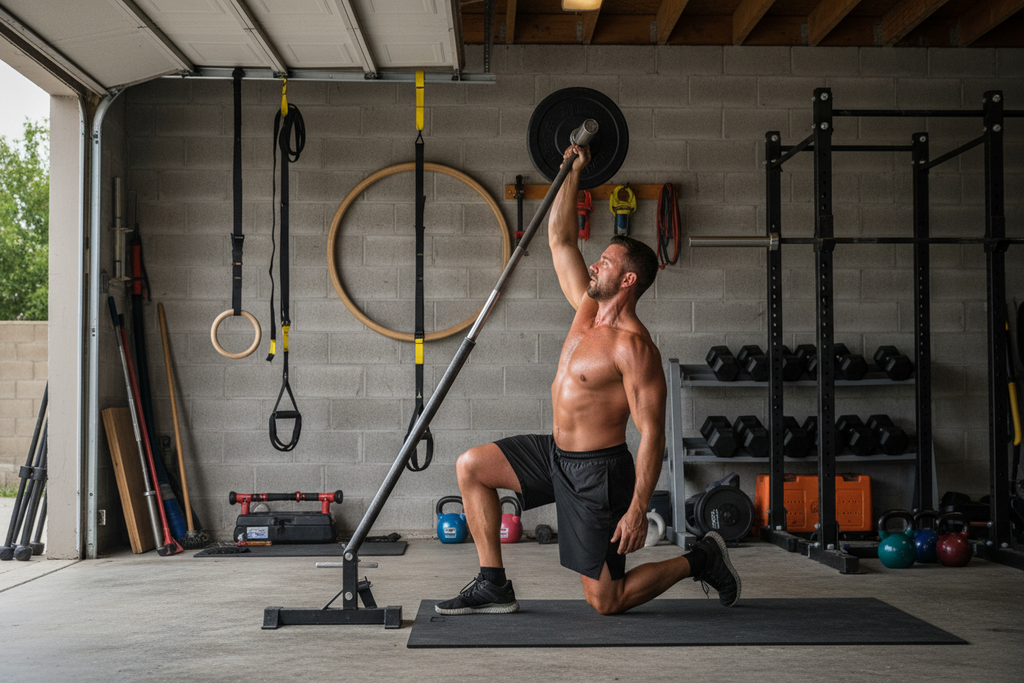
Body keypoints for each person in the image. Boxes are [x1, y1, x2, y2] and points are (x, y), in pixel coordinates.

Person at [435, 144, 740, 616]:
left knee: (606, 602)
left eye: (606, 263)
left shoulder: (633, 348)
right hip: (555, 454)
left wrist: (638, 507)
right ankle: (493, 584)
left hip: (597, 475)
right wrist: (571, 171)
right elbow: (560, 242)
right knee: (471, 466)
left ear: (628, 281)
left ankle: (701, 558)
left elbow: (652, 434)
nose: (595, 265)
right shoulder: (587, 309)